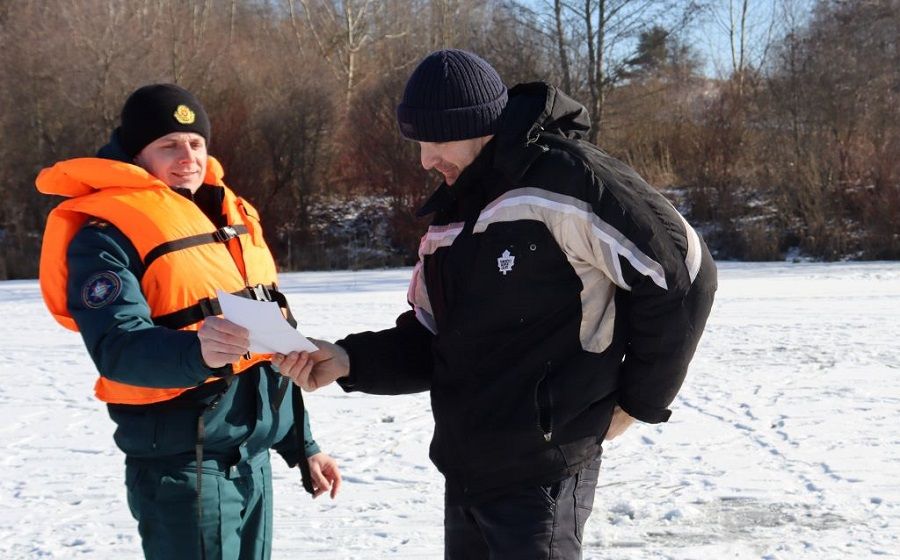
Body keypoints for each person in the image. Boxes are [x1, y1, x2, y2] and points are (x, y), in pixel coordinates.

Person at [278, 49, 717, 559]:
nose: (424, 159)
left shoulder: (564, 182)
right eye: (419, 142)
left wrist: (638, 401)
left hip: (543, 472)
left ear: (477, 124)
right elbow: (434, 338)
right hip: (467, 471)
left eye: (435, 140)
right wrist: (350, 360)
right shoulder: (451, 215)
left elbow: (682, 273)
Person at [35, 83, 341, 560]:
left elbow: (272, 347)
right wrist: (194, 351)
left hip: (251, 460)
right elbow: (117, 347)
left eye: (196, 143)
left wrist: (304, 445)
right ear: (137, 155)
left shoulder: (229, 216)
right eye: (169, 145)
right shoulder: (105, 237)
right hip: (184, 467)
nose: (188, 157)